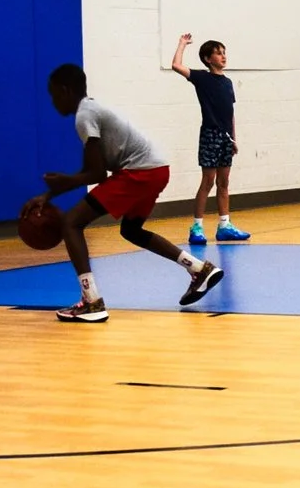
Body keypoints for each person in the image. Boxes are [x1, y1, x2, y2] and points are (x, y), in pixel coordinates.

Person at [40, 64, 224, 322]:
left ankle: (92, 301)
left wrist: (61, 184)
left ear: (65, 90)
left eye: (53, 94)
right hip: (157, 168)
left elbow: (96, 175)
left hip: (140, 172)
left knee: (71, 223)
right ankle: (198, 268)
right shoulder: (91, 109)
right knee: (131, 230)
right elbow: (90, 168)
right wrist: (48, 196)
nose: (52, 101)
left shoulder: (84, 116)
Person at [171, 33, 250, 247]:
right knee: (208, 181)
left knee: (223, 183)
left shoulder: (228, 83)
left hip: (225, 138)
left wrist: (233, 138)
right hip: (210, 135)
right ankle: (197, 226)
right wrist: (182, 44)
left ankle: (224, 225)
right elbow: (176, 65)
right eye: (218, 53)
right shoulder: (202, 78)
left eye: (224, 53)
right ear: (208, 59)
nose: (223, 57)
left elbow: (230, 111)